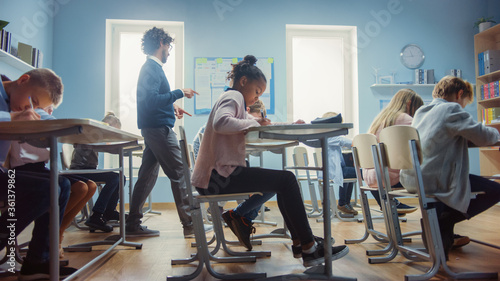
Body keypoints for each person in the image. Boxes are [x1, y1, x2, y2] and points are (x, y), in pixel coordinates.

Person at [191, 55, 349, 267]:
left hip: (213, 178)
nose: (257, 98)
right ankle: (308, 247)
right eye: (257, 91)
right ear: (243, 81)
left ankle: (302, 244)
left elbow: (261, 125)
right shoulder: (234, 98)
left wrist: (289, 124)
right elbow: (222, 122)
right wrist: (254, 124)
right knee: (287, 180)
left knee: (283, 182)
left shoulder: (233, 99)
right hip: (217, 179)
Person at [400, 76, 500, 258]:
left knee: (462, 188)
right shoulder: (451, 108)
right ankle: (443, 221)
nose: (463, 107)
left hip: (415, 177)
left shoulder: (423, 110)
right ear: (460, 94)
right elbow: (484, 136)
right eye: (465, 103)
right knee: (495, 190)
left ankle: (441, 232)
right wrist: (496, 132)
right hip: (435, 177)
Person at [125, 27, 210, 238]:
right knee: (180, 171)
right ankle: (191, 225)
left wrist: (172, 107)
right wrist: (179, 93)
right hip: (158, 129)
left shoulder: (152, 68)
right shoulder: (152, 68)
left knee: (146, 176)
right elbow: (150, 100)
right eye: (169, 46)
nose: (169, 51)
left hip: (154, 126)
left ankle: (132, 224)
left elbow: (153, 100)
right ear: (161, 42)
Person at [0, 69, 77, 278]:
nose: (29, 108)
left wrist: (76, 127)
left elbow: (45, 118)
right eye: (32, 100)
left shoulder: (20, 101)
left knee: (61, 184)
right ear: (23, 80)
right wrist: (15, 116)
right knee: (46, 188)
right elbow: (20, 115)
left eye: (37, 106)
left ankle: (37, 261)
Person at [8, 103, 97, 259]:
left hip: (41, 168)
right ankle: (53, 235)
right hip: (24, 169)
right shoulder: (22, 115)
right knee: (78, 188)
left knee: (90, 186)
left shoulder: (40, 115)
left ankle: (58, 231)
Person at [363, 89, 422, 215]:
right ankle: (439, 221)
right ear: (409, 103)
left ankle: (388, 203)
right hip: (388, 178)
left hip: (371, 178)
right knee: (438, 178)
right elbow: (423, 139)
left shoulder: (380, 119)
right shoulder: (405, 119)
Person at [69, 112, 125, 232]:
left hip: (88, 169)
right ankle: (96, 215)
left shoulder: (98, 136)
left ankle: (109, 211)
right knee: (115, 178)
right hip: (79, 170)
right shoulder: (91, 133)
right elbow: (102, 147)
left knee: (121, 177)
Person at [303, 112, 358, 215]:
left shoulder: (327, 136)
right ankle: (343, 203)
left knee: (351, 172)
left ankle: (344, 203)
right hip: (333, 171)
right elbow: (347, 142)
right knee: (362, 172)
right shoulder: (330, 137)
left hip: (337, 169)